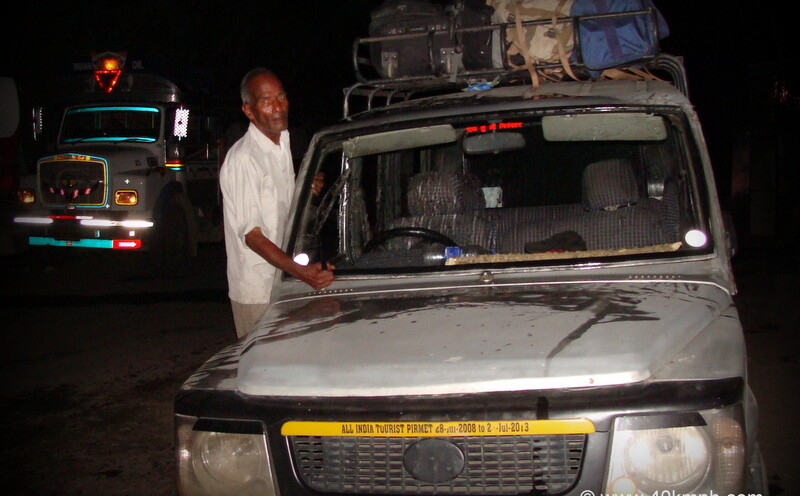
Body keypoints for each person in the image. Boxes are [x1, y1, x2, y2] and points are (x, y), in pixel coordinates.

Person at [220, 68, 334, 338]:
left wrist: (303, 190)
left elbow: (278, 206)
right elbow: (253, 236)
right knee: (262, 360)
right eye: (266, 101)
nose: (278, 107)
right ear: (249, 111)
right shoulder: (245, 159)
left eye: (281, 97)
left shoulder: (281, 142)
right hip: (258, 291)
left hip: (284, 280)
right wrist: (302, 273)